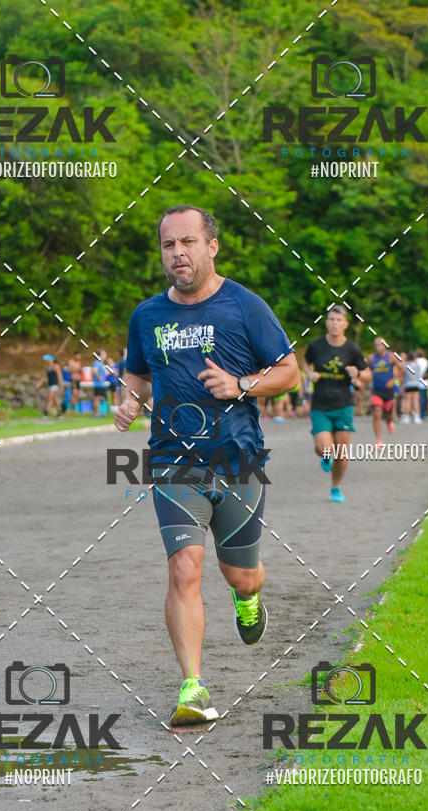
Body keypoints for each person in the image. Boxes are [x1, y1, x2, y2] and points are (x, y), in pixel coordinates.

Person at [114, 204, 298, 727]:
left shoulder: (245, 307)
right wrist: (129, 401)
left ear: (211, 246)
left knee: (240, 575)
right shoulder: (147, 316)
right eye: (169, 245)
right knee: (183, 568)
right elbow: (138, 377)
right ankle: (192, 687)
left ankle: (250, 598)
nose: (179, 253)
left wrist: (241, 384)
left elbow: (289, 372)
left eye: (188, 242)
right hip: (175, 463)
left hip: (237, 460)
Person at [302, 306, 369, 503]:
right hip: (321, 405)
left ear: (345, 324)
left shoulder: (352, 349)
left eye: (339, 320)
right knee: (324, 447)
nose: (334, 323)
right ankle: (324, 455)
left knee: (340, 453)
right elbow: (306, 362)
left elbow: (367, 373)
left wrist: (357, 373)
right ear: (326, 322)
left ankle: (335, 487)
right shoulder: (316, 345)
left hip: (344, 405)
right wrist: (309, 373)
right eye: (331, 319)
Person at [366, 338, 400, 445]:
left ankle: (389, 422)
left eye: (380, 345)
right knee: (377, 412)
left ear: (385, 345)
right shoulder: (371, 358)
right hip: (376, 390)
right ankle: (379, 440)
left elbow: (402, 369)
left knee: (388, 414)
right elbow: (365, 370)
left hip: (388, 390)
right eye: (376, 345)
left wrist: (393, 380)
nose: (377, 347)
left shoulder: (391, 356)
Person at [400, 351, 422, 423]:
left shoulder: (406, 365)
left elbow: (403, 375)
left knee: (408, 401)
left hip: (408, 384)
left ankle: (406, 417)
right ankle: (417, 416)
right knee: (416, 401)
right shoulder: (417, 365)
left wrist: (402, 385)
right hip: (416, 384)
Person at [91, 350, 109, 417]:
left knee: (97, 398)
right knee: (97, 399)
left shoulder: (101, 363)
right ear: (100, 355)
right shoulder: (97, 362)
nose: (105, 355)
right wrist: (99, 378)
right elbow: (94, 371)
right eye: (104, 354)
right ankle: (96, 414)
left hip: (100, 384)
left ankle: (95, 413)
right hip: (98, 384)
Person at [415, 348, 428, 419]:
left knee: (419, 399)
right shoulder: (426, 361)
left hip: (418, 382)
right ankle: (425, 413)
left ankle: (419, 413)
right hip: (426, 382)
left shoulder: (416, 361)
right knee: (425, 398)